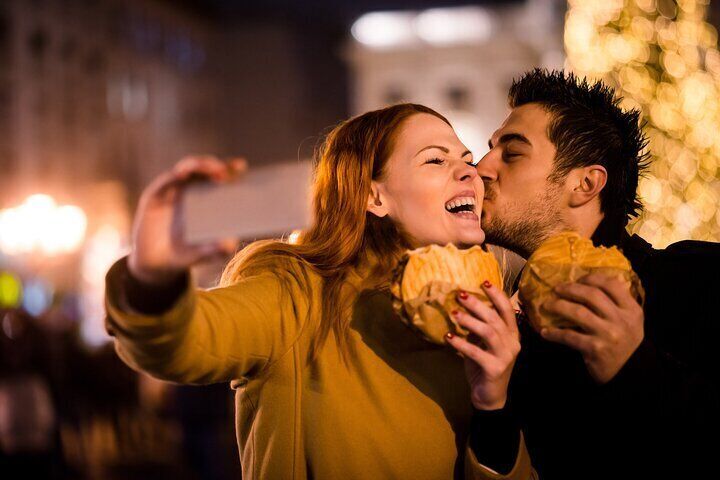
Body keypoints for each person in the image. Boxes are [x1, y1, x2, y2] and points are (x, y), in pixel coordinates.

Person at [103, 104, 536, 479]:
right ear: (373, 196)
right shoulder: (300, 294)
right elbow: (182, 343)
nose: (470, 171)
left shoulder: (487, 313)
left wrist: (493, 406)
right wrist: (152, 275)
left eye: (465, 157)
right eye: (435, 161)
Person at [457, 69, 720, 479]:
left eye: (512, 152)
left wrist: (635, 368)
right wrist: (492, 408)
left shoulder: (701, 280)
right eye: (489, 149)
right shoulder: (503, 334)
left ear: (585, 183)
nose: (482, 168)